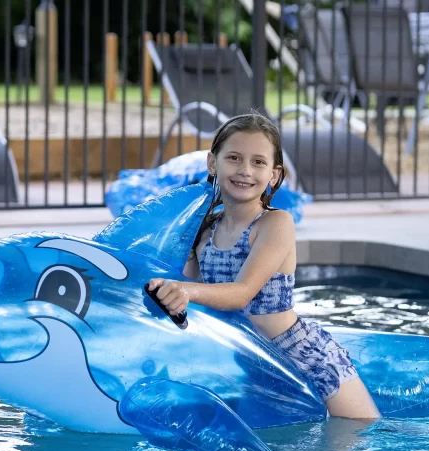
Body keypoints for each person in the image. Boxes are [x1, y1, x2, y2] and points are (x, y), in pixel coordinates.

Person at [147, 112, 381, 420]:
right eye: (234, 157)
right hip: (253, 363)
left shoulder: (275, 224)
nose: (245, 170)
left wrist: (184, 290)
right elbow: (189, 309)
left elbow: (241, 294)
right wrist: (164, 290)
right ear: (212, 163)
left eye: (258, 162)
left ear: (274, 174)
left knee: (363, 435)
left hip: (304, 358)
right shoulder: (204, 234)